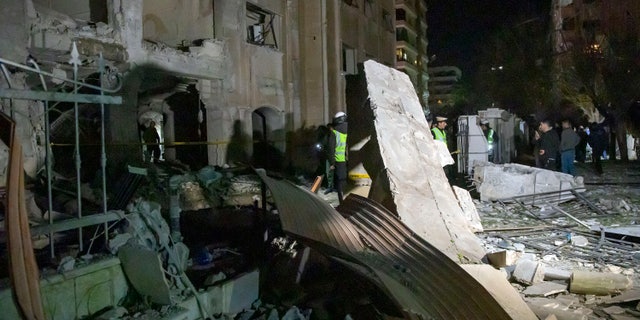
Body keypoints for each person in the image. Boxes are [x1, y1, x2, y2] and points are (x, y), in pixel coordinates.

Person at [327, 111, 348, 203]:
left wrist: (332, 162)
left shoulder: (334, 132)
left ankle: (343, 202)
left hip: (339, 162)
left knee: (340, 183)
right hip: (351, 161)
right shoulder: (352, 129)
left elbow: (331, 149)